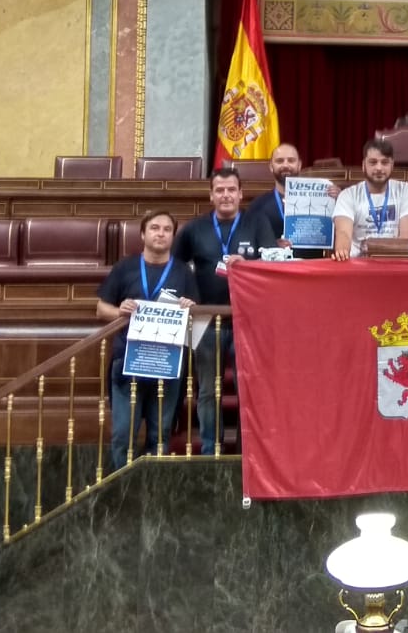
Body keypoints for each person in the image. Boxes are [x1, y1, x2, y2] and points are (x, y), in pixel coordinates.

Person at [173, 167, 272, 456]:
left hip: (248, 320)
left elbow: (272, 264)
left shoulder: (258, 222)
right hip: (206, 319)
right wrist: (185, 298)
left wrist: (250, 265)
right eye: (220, 190)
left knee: (248, 390)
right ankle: (210, 449)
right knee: (207, 391)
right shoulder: (194, 229)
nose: (226, 195)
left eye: (231, 190)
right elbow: (176, 269)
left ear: (241, 194)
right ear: (211, 195)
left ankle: (246, 451)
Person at [95, 210, 199, 468]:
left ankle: (154, 491)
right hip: (128, 361)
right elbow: (100, 309)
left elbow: (196, 321)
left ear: (173, 236)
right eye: (154, 228)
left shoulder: (183, 272)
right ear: (143, 234)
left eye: (166, 229)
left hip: (167, 363)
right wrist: (119, 311)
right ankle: (122, 489)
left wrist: (190, 307)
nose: (160, 233)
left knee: (160, 434)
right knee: (123, 434)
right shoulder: (125, 267)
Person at [241, 142, 338, 259]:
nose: (285, 165)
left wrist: (339, 201)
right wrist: (271, 245)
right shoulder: (257, 206)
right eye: (279, 161)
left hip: (311, 268)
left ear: (299, 165)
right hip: (274, 271)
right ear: (271, 167)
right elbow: (250, 244)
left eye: (291, 160)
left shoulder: (322, 199)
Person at [333, 138, 408, 260]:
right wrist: (342, 253)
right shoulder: (348, 195)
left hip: (393, 263)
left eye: (384, 162)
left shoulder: (405, 190)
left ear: (392, 165)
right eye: (373, 162)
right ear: (363, 165)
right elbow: (343, 233)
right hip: (358, 263)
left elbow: (405, 240)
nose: (379, 168)